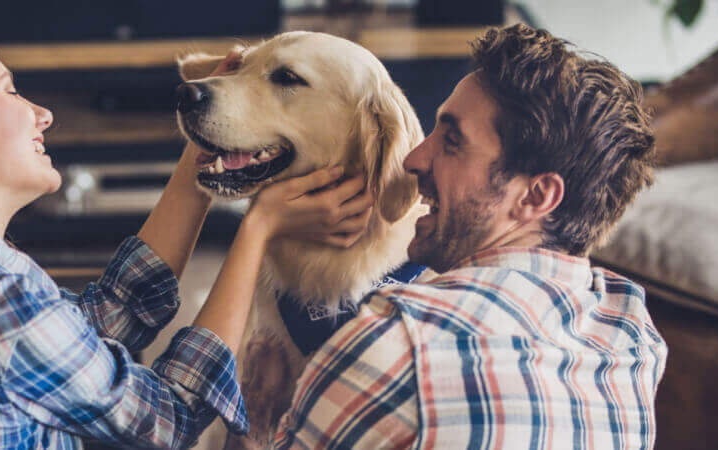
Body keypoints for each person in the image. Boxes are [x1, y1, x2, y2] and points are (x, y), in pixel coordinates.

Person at [0, 22, 374, 449]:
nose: (41, 112)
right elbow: (166, 418)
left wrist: (206, 149)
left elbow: (95, 325)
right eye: (8, 90)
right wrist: (257, 227)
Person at [273, 24, 667, 449]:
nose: (414, 158)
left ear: (536, 195)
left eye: (453, 142)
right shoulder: (633, 338)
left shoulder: (394, 345)